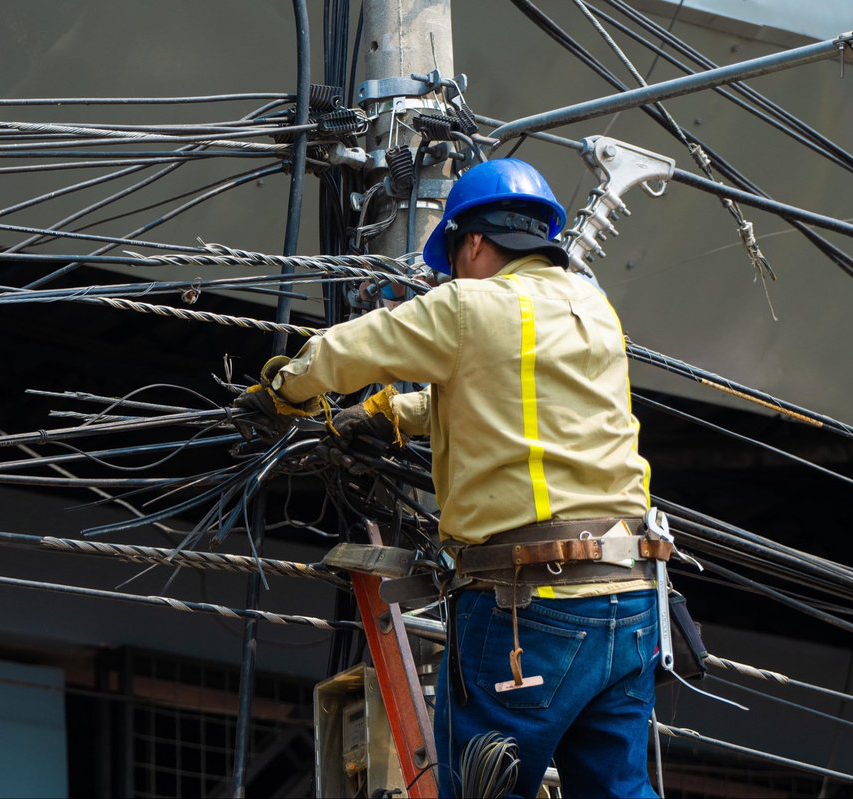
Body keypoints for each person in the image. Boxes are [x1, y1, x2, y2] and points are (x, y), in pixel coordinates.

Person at [238, 158, 658, 797]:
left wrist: (284, 392)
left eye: (454, 258)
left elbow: (349, 348)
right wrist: (388, 416)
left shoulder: (470, 304)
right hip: (630, 600)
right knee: (617, 791)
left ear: (475, 243)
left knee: (479, 786)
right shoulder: (592, 309)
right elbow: (518, 408)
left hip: (530, 605)